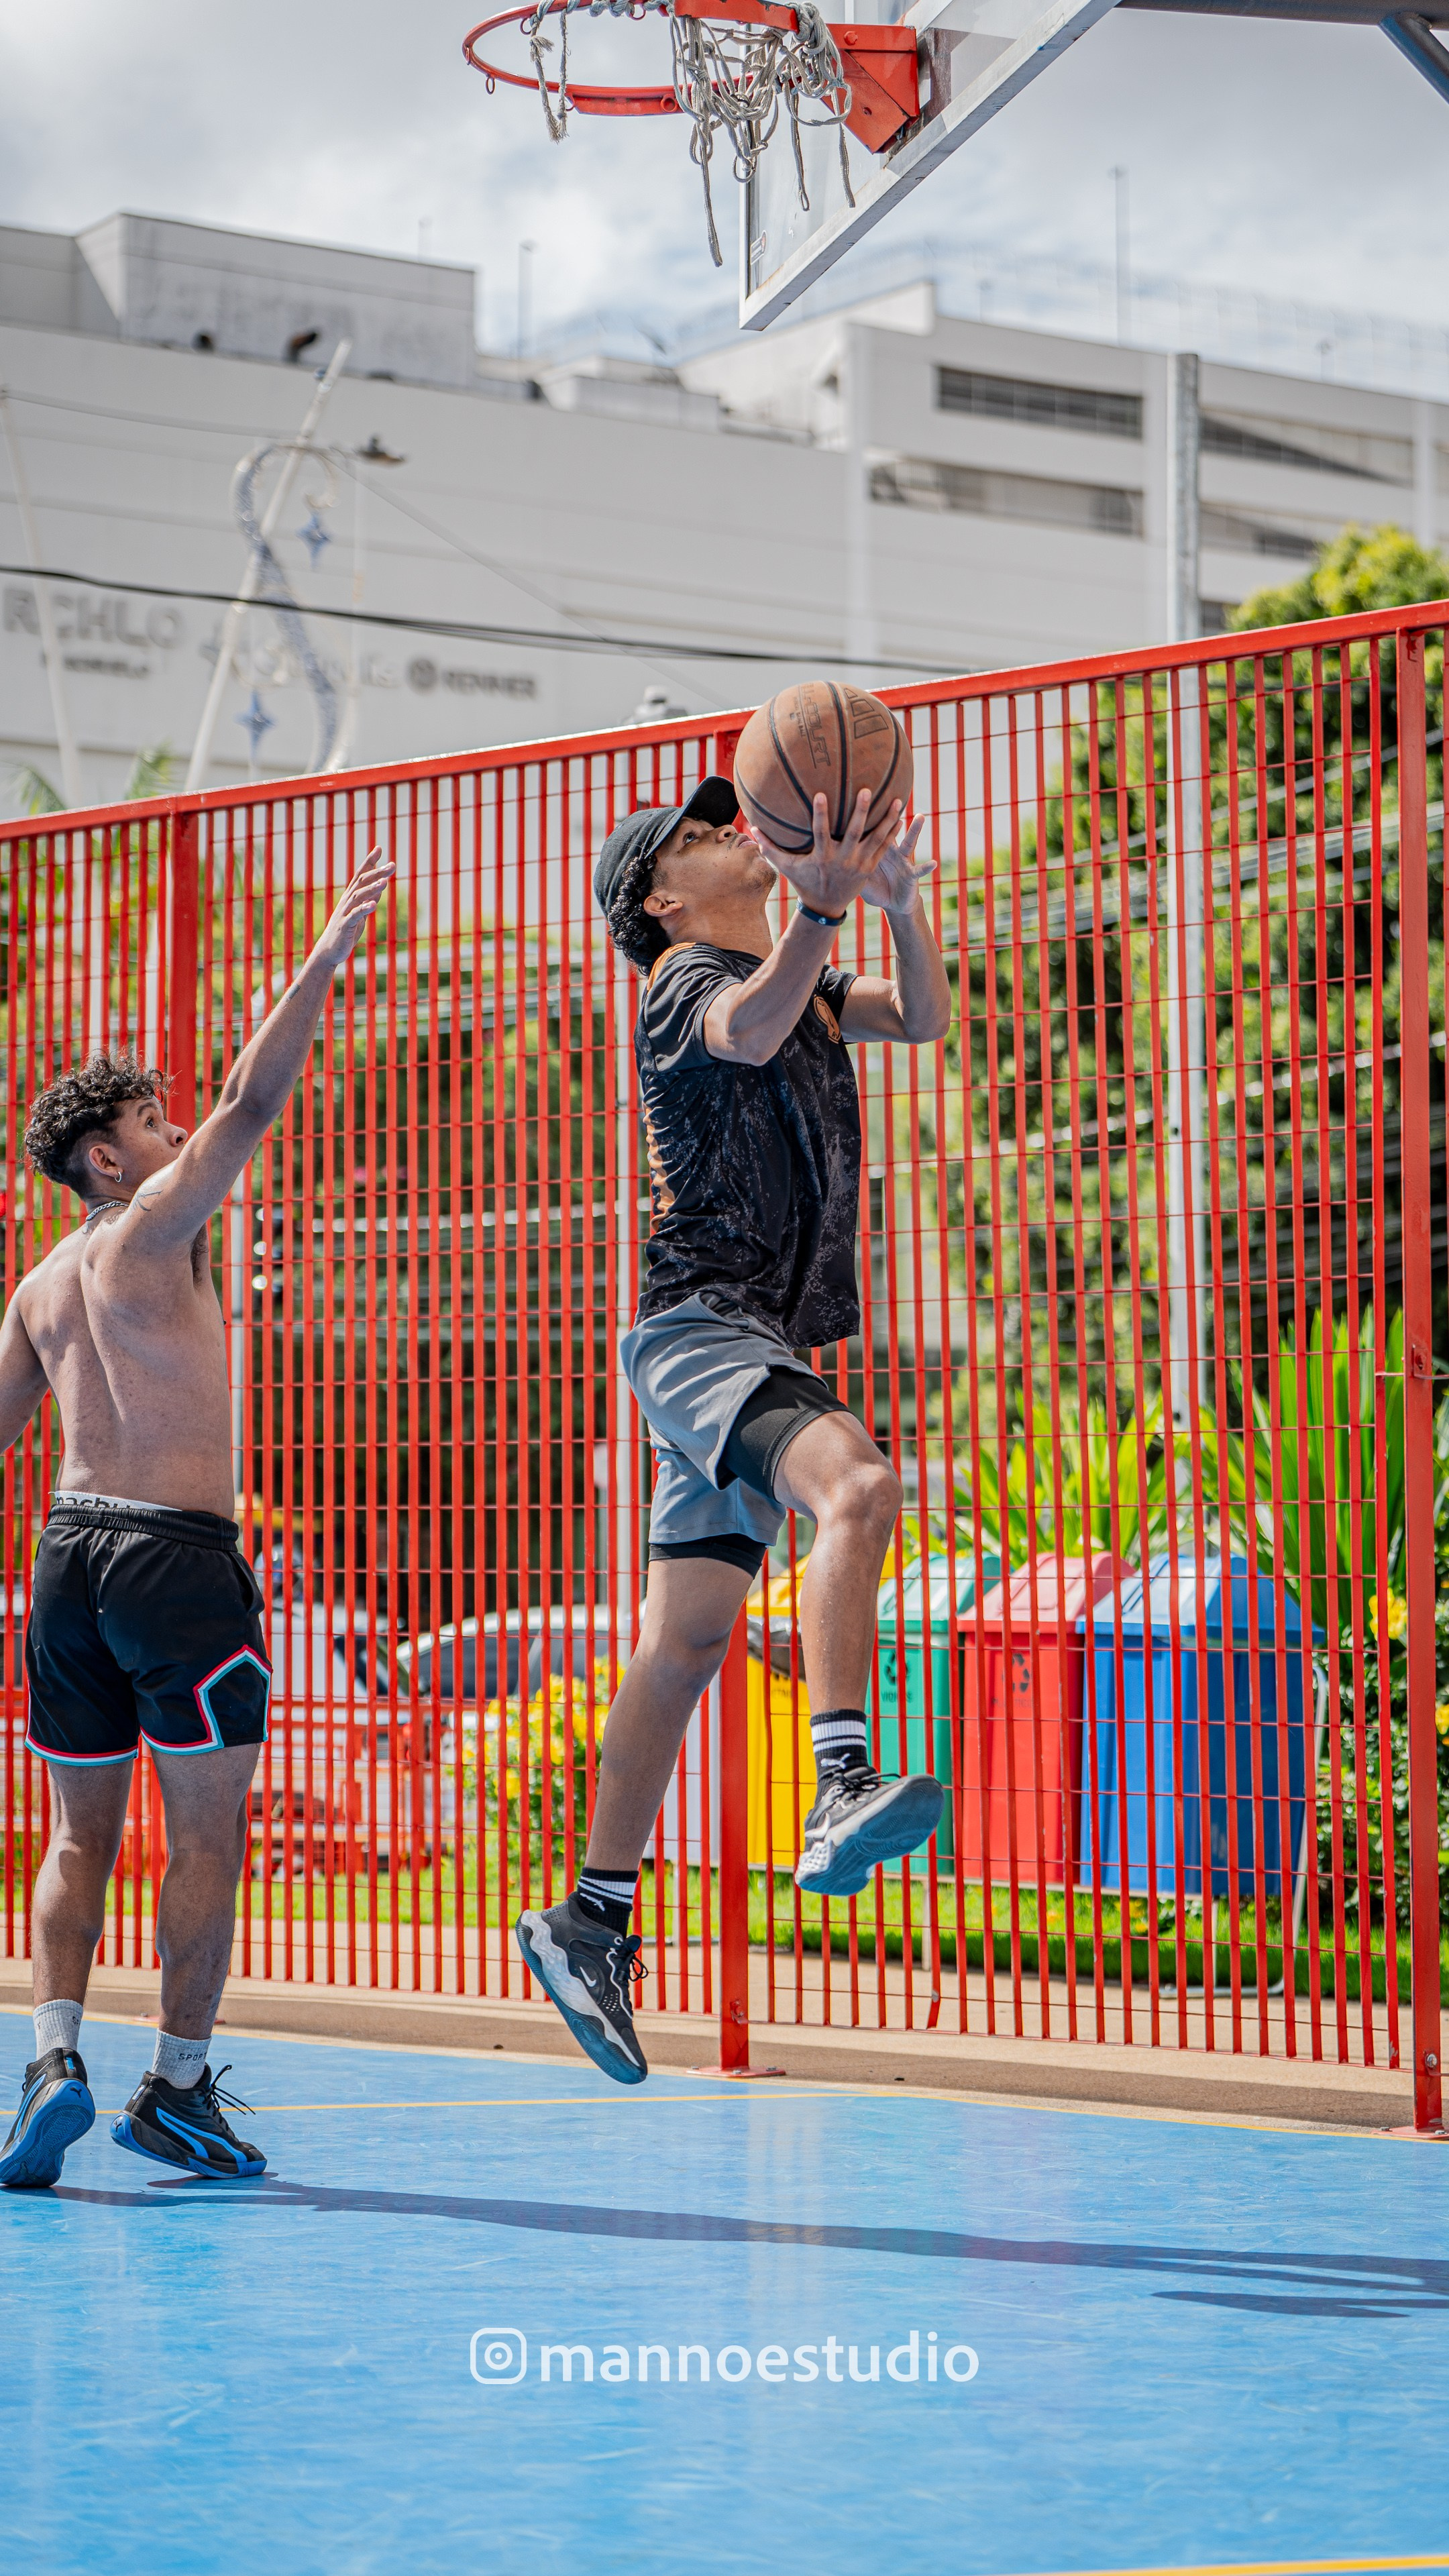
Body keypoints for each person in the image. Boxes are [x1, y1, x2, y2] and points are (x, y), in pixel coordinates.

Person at [517, 770, 953, 2084]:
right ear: (661, 898)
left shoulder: (800, 983)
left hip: (737, 1338)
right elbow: (749, 1033)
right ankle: (841, 1780)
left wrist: (898, 899)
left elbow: (920, 1015)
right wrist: (820, 909)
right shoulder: (683, 983)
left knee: (687, 1640)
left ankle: (589, 1919)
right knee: (859, 1488)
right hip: (703, 1330)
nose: (730, 832)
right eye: (703, 836)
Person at [0, 849, 394, 2191]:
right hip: (176, 1563)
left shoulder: (40, 1288)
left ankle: (51, 2060)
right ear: (109, 1159)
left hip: (68, 1562)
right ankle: (174, 2089)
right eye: (153, 1127)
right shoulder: (148, 1231)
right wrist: (325, 958)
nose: (180, 1139)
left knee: (77, 1835)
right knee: (207, 1835)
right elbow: (252, 1100)